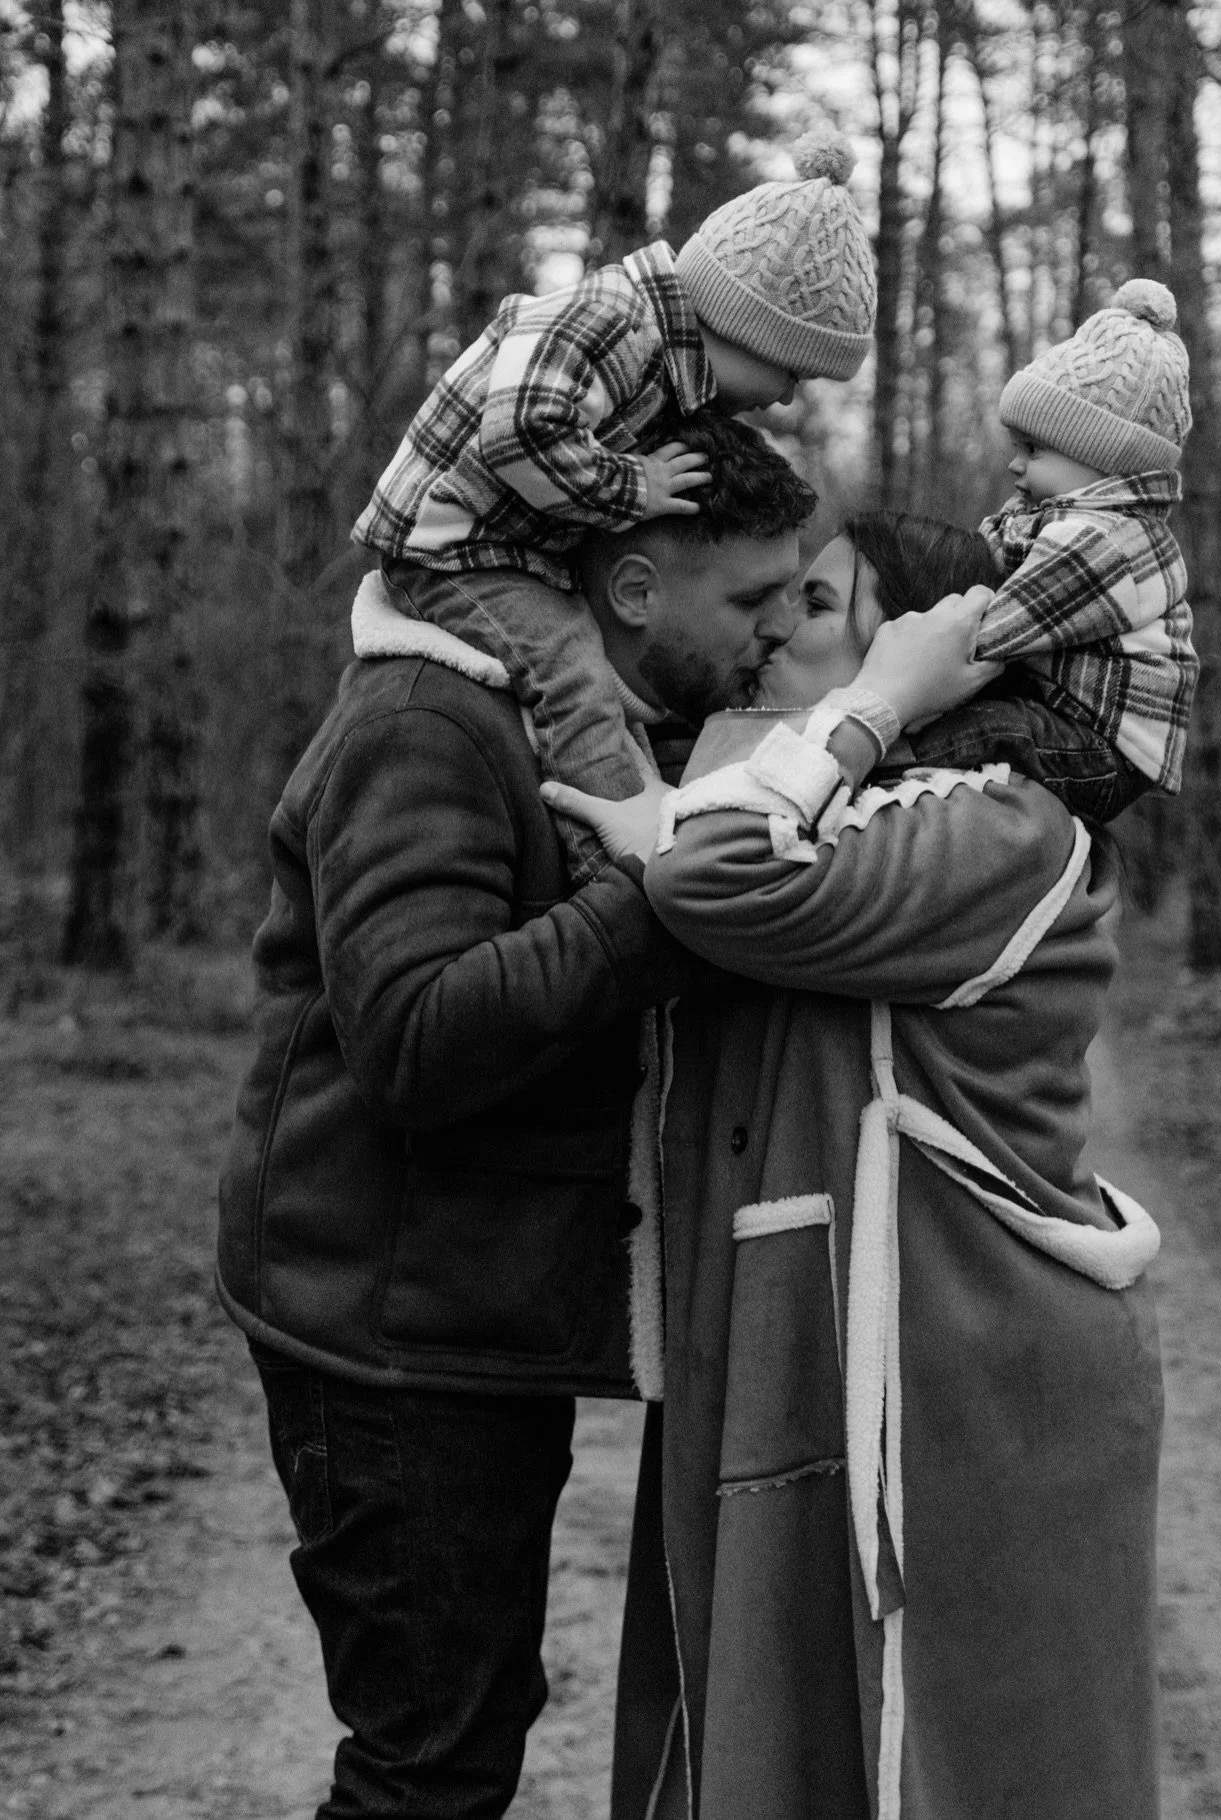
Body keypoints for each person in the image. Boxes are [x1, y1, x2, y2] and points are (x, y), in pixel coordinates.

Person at [216, 414, 851, 1818]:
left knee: (466, 1724)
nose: (773, 629)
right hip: (383, 1331)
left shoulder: (610, 737)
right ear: (632, 587)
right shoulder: (430, 722)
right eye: (749, 598)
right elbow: (414, 1039)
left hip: (469, 1318)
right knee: (426, 1765)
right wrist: (661, 900)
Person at [548, 513, 1166, 1820]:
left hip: (962, 1391)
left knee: (940, 1767)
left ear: (937, 652)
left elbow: (708, 871)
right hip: (825, 1366)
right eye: (769, 597)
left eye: (820, 604)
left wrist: (878, 698)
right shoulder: (843, 803)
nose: (773, 628)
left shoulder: (995, 825)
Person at [350, 126, 876, 882]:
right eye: (792, 371)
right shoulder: (612, 320)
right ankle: (619, 861)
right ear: (744, 327)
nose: (787, 396)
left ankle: (647, 804)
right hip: (452, 547)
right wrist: (637, 486)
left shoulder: (652, 354)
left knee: (603, 682)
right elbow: (519, 431)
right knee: (571, 676)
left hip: (504, 542)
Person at [906, 278, 1199, 826]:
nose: (1015, 465)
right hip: (1069, 719)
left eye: (1033, 449)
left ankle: (884, 773)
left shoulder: (1102, 542)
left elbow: (994, 632)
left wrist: (903, 679)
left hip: (1104, 751)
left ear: (1102, 459)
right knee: (992, 717)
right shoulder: (1061, 519)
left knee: (988, 729)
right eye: (1017, 446)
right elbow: (984, 562)